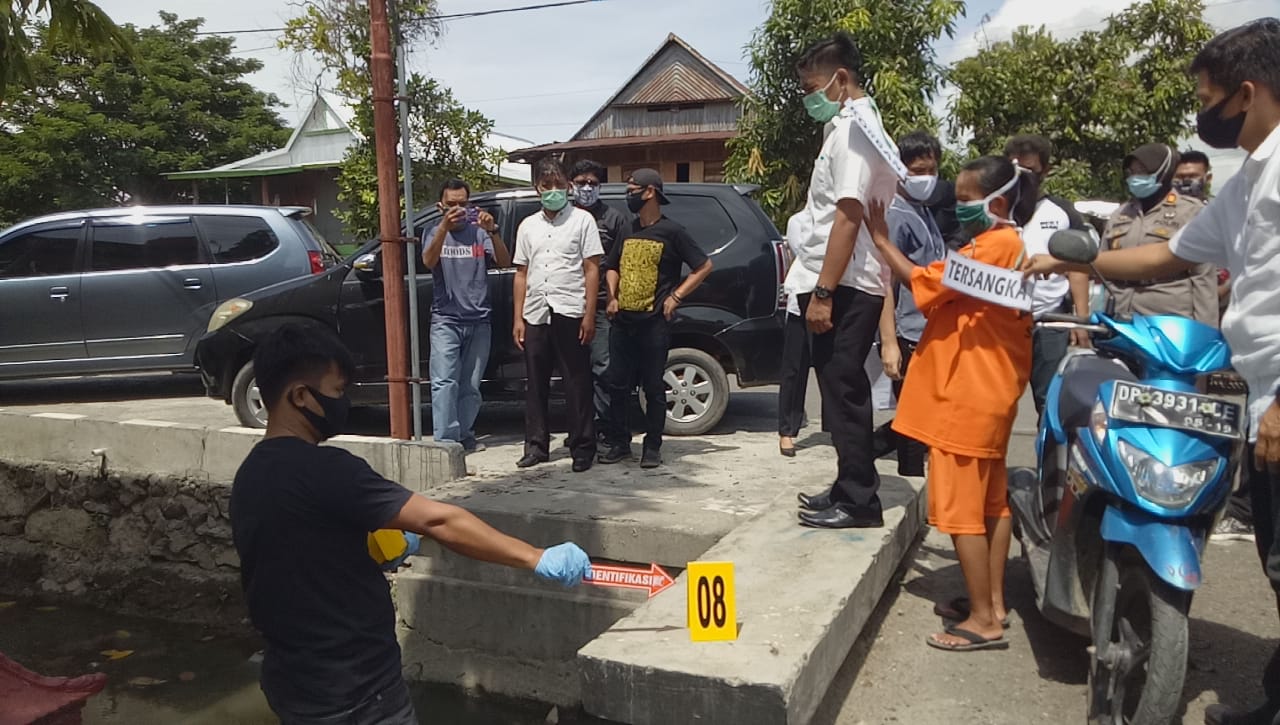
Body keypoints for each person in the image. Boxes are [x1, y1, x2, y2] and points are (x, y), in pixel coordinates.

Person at [1025, 19, 1280, 723]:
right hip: (1251, 393)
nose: (1207, 115)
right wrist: (1075, 261)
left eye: (1210, 98)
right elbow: (1169, 257)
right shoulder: (1250, 179)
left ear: (1248, 93)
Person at [230, 324, 592, 725]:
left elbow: (295, 555)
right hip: (360, 693)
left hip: (295, 689)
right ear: (300, 396)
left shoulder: (249, 476)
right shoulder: (328, 469)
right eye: (336, 391)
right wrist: (536, 557)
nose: (343, 401)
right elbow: (439, 520)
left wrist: (365, 551)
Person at [872, 155, 1037, 652]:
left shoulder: (994, 247)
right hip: (991, 392)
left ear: (998, 202)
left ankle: (984, 620)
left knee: (964, 511)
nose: (959, 209)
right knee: (992, 504)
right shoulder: (1005, 246)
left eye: (966, 201)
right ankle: (991, 601)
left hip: (966, 397)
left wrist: (881, 238)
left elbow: (925, 283)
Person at [788, 31, 902, 530]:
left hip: (847, 281)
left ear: (840, 79)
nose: (809, 99)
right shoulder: (846, 126)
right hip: (840, 277)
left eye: (813, 87)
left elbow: (849, 216)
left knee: (844, 388)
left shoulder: (857, 130)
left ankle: (859, 501)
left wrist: (825, 293)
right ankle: (846, 484)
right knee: (837, 389)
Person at [600, 169, 713, 468]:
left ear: (649, 192)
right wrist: (612, 296)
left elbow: (703, 266)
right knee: (618, 385)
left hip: (653, 324)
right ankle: (621, 443)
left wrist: (676, 297)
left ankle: (652, 447)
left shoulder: (672, 232)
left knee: (653, 386)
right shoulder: (627, 228)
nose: (629, 195)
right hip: (622, 322)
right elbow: (611, 266)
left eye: (632, 189)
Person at [512, 158, 604, 472]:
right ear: (537, 188)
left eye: (558, 185)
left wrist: (589, 314)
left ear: (567, 186)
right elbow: (521, 274)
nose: (553, 191)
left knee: (576, 382)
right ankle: (536, 446)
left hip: (570, 310)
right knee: (535, 383)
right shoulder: (528, 226)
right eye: (546, 185)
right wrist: (518, 318)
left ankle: (582, 448)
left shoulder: (582, 221)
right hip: (536, 312)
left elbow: (592, 270)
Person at [871, 130, 946, 477]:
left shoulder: (924, 211)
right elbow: (884, 281)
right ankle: (910, 487)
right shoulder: (897, 214)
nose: (925, 178)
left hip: (930, 332)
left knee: (918, 419)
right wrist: (889, 342)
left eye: (931, 171)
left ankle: (859, 454)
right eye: (916, 171)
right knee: (916, 425)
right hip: (909, 334)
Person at [1004, 134, 1093, 414]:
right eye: (1015, 169)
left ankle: (1049, 458)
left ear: (1046, 170)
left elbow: (1077, 267)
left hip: (1050, 322)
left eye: (1029, 170)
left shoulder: (1063, 212)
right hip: (1002, 322)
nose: (1022, 176)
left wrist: (1080, 320)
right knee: (996, 402)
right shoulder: (994, 210)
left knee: (1049, 402)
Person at [421, 179, 511, 453]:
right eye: (452, 204)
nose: (458, 209)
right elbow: (428, 260)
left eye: (463, 204)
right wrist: (444, 228)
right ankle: (447, 443)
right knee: (444, 381)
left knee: (471, 386)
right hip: (446, 319)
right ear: (441, 206)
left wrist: (492, 230)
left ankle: (465, 435)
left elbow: (505, 262)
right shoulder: (432, 230)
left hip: (479, 319)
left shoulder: (479, 233)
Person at [1102, 143, 1219, 325]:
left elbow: (1203, 278)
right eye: (1131, 172)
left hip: (1168, 316)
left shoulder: (1190, 212)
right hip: (1120, 316)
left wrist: (1206, 332)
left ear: (1163, 172)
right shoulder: (1120, 214)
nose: (1135, 177)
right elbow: (1104, 266)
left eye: (1142, 171)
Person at [569, 159, 631, 442]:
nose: (587, 188)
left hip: (603, 305)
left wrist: (614, 298)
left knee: (603, 369)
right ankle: (581, 430)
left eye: (592, 183)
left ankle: (605, 428)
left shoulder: (614, 218)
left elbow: (622, 262)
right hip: (567, 303)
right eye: (581, 183)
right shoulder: (562, 217)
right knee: (574, 371)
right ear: (571, 185)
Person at [778, 212, 812, 457]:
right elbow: (806, 256)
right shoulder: (798, 221)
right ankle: (787, 431)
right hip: (803, 300)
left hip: (837, 300)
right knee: (794, 369)